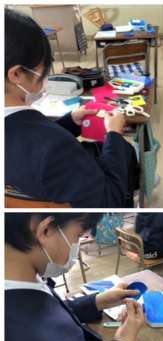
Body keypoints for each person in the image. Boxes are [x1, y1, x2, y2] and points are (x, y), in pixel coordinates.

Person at [5, 213, 146, 341]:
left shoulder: (21, 277)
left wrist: (98, 301)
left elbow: (45, 311)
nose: (77, 244)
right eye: (78, 235)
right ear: (45, 230)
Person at [5, 10, 138, 208]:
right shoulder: (54, 145)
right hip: (87, 200)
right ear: (16, 74)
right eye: (44, 68)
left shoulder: (37, 138)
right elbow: (110, 201)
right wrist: (114, 135)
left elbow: (27, 148)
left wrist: (69, 122)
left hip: (41, 187)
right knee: (128, 151)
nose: (46, 76)